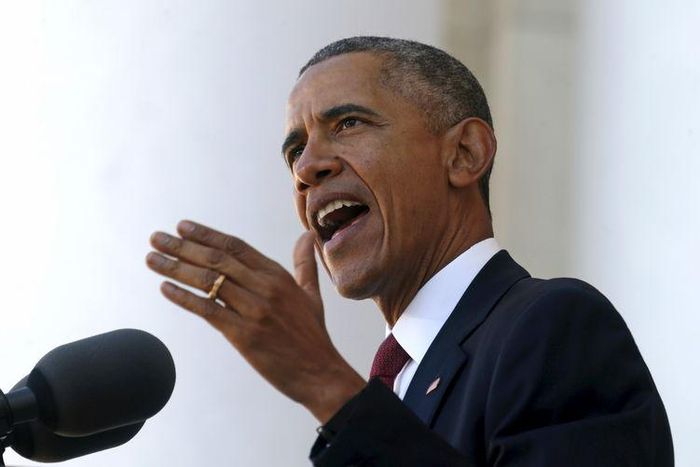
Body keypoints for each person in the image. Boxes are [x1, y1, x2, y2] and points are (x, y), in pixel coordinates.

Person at [146, 37, 673, 466]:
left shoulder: (554, 328)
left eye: (348, 123)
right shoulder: (391, 389)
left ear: (465, 154)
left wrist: (321, 381)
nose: (307, 168)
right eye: (294, 151)